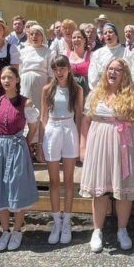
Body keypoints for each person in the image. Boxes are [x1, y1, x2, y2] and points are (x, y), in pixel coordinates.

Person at [80, 58, 134, 252]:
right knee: (100, 190)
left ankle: (122, 230)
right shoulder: (96, 93)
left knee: (123, 190)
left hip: (125, 147)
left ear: (124, 74)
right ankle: (97, 231)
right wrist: (83, 147)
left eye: (117, 70)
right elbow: (85, 121)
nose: (112, 72)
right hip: (99, 147)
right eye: (110, 69)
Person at [0, 66, 40, 251]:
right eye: (3, 78)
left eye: (10, 77)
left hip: (17, 148)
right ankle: (5, 230)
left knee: (18, 187)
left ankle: (17, 230)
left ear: (17, 80)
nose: (6, 81)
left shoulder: (26, 103)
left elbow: (33, 126)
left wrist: (24, 143)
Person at [40, 55, 83, 245]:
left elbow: (79, 116)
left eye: (62, 68)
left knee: (68, 180)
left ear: (69, 69)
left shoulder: (77, 89)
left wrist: (81, 141)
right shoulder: (47, 89)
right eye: (56, 69)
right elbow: (43, 117)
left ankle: (67, 222)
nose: (59, 72)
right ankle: (56, 222)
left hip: (69, 130)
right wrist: (40, 142)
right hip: (52, 130)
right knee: (54, 180)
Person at [88, 23, 126, 89]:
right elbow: (93, 76)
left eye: (110, 32)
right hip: (102, 89)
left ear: (116, 35)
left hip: (122, 88)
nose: (108, 34)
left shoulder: (126, 52)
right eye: (105, 33)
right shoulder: (97, 54)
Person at [19, 24, 51, 102]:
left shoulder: (49, 52)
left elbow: (51, 74)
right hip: (24, 84)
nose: (34, 36)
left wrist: (48, 89)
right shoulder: (23, 51)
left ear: (42, 36)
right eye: (31, 34)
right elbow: (19, 71)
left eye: (37, 34)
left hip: (41, 85)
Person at [67, 27, 93, 97]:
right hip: (69, 90)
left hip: (86, 91)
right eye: (74, 37)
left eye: (79, 37)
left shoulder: (92, 55)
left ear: (84, 40)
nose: (76, 39)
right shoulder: (66, 55)